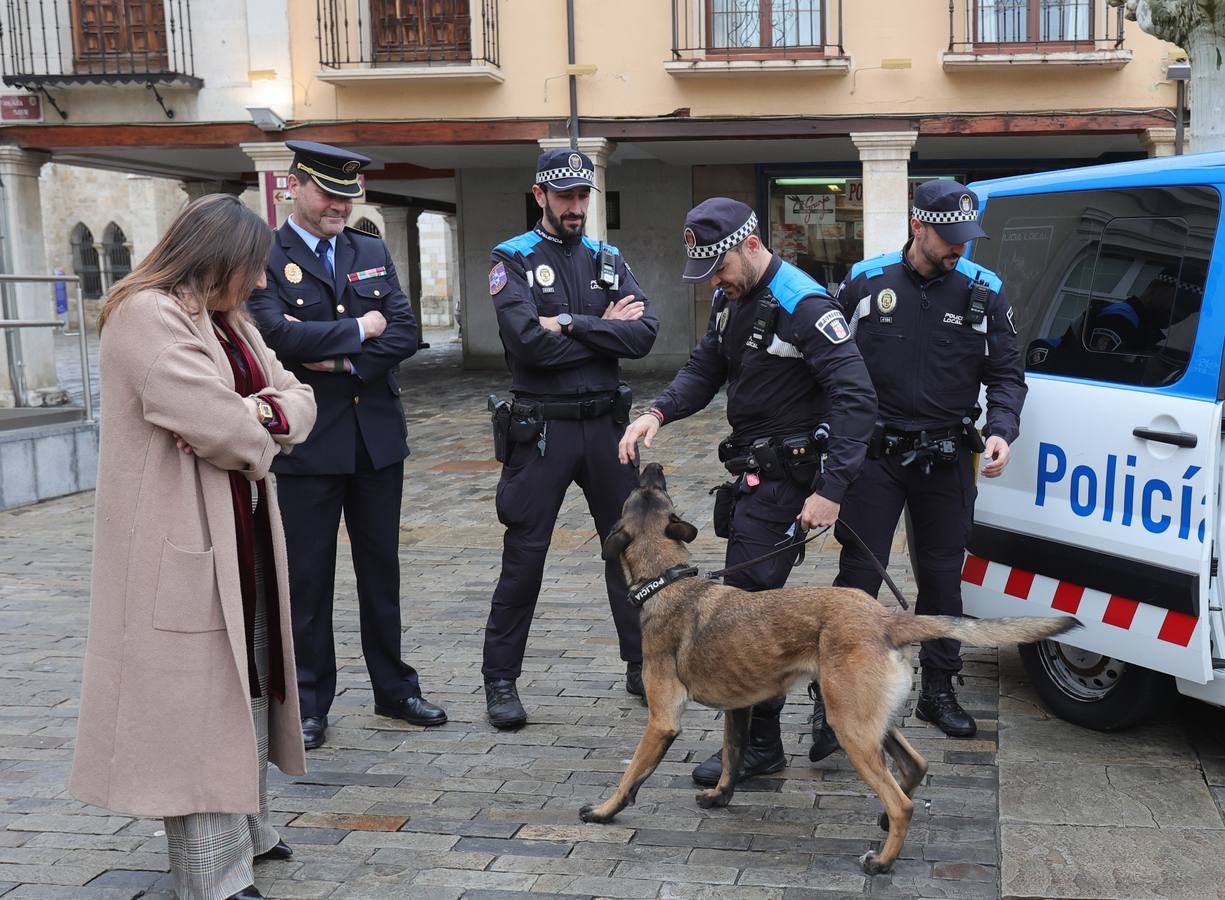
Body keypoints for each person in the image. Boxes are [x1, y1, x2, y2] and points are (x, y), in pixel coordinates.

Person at [69, 194, 317, 900]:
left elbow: (295, 399)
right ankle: (213, 875)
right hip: (178, 539)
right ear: (217, 260)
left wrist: (258, 413)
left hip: (239, 527)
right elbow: (222, 428)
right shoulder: (146, 315)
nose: (263, 284)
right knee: (197, 703)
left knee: (248, 681)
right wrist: (253, 421)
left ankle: (249, 832)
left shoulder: (225, 314)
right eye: (254, 269)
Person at [618, 197, 877, 787]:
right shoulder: (729, 299)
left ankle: (762, 746)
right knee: (744, 610)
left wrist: (831, 490)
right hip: (758, 476)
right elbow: (705, 367)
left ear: (752, 245)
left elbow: (856, 398)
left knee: (743, 612)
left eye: (719, 268)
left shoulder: (804, 306)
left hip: (797, 479)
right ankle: (759, 744)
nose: (714, 281)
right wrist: (658, 413)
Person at [810, 180, 1026, 759]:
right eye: (949, 237)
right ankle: (830, 704)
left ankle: (938, 688)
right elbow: (824, 364)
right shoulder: (865, 281)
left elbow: (1007, 374)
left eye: (967, 237)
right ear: (917, 226)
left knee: (942, 579)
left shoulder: (985, 291)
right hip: (874, 458)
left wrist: (1002, 428)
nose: (959, 248)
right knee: (857, 580)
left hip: (948, 457)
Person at [247, 140, 446, 752]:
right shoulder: (265, 255)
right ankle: (308, 700)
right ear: (294, 188)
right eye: (328, 193)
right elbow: (276, 337)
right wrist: (361, 329)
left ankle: (394, 687)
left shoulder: (368, 247)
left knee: (380, 573)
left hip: (375, 440)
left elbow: (407, 332)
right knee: (308, 579)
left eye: (347, 195)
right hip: (307, 443)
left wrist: (339, 363)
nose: (339, 205)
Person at [483, 147, 659, 729]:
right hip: (542, 429)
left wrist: (576, 323)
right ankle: (501, 680)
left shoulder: (608, 258)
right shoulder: (511, 258)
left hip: (607, 428)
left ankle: (641, 663)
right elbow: (528, 343)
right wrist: (609, 325)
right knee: (525, 557)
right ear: (541, 196)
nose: (576, 206)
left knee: (630, 549)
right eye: (565, 197)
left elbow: (645, 336)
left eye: (584, 195)